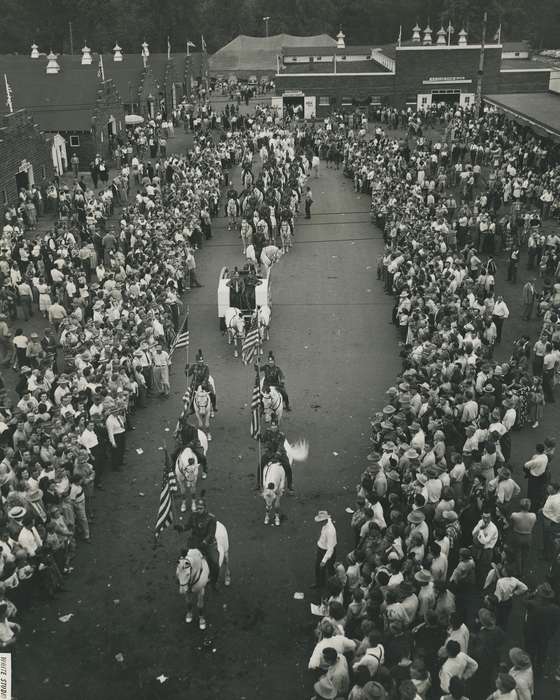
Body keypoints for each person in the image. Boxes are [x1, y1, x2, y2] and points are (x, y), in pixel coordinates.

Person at [177, 496, 220, 588]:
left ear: (205, 508)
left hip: (208, 543)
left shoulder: (211, 518)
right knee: (182, 556)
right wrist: (181, 528)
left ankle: (214, 581)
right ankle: (183, 576)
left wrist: (204, 543)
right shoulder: (194, 515)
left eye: (200, 508)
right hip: (195, 540)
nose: (198, 510)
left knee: (214, 562)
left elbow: (211, 534)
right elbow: (188, 526)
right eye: (197, 508)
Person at [259, 420, 293, 492]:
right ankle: (259, 483)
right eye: (272, 426)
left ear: (277, 427)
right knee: (260, 465)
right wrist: (259, 436)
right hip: (270, 453)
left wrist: (277, 455)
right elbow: (263, 440)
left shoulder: (281, 435)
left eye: (275, 426)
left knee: (287, 466)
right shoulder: (267, 432)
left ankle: (290, 486)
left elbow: (280, 446)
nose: (273, 427)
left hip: (280, 454)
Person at [312, 510, 337, 591]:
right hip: (322, 548)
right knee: (318, 568)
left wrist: (324, 560)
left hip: (327, 552)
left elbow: (330, 548)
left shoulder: (330, 531)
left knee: (330, 570)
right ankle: (320, 583)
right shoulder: (327, 523)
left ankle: (333, 587)